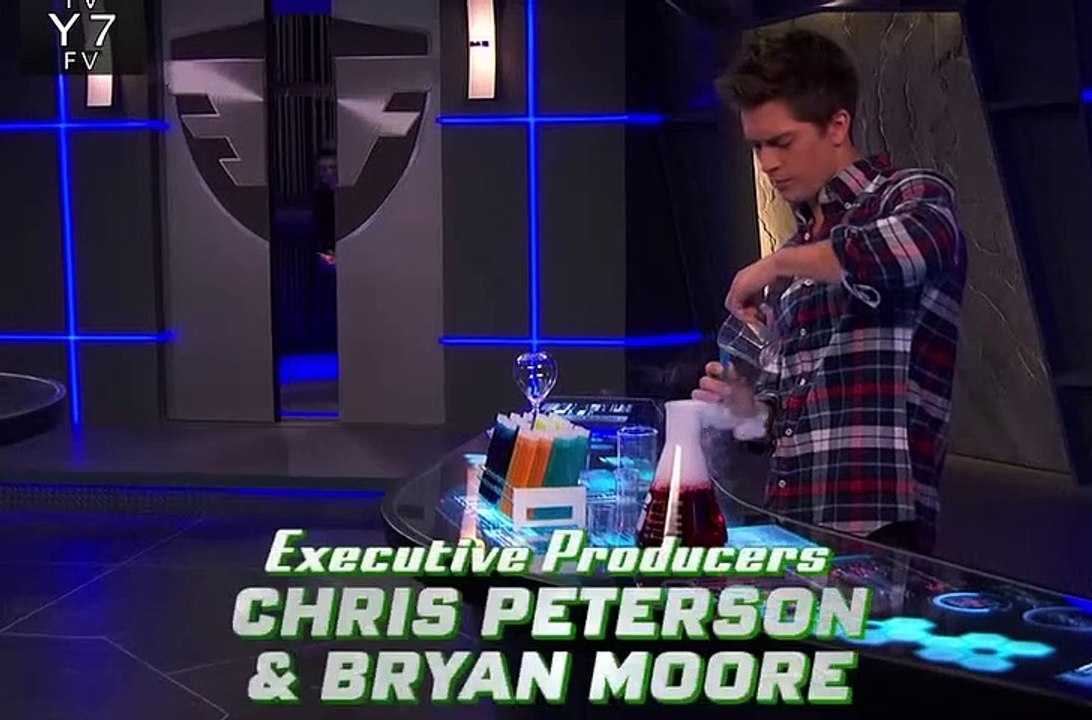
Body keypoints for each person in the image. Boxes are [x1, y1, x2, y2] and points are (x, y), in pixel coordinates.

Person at [693, 29, 967, 555]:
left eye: (782, 142)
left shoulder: (912, 195)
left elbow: (895, 250)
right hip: (791, 521)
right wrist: (747, 408)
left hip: (879, 524)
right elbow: (785, 415)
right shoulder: (798, 252)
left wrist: (777, 261)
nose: (768, 163)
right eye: (757, 146)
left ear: (837, 124)